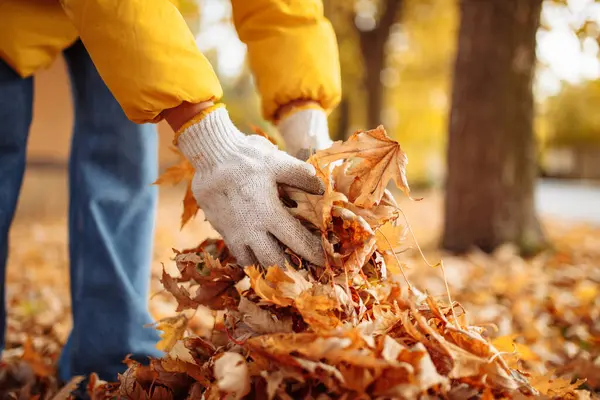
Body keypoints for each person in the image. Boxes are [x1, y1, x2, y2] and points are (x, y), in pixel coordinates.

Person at [0, 0, 340, 384]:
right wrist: (210, 141)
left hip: (126, 16)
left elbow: (283, 8)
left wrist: (306, 123)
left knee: (122, 164)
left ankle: (110, 356)